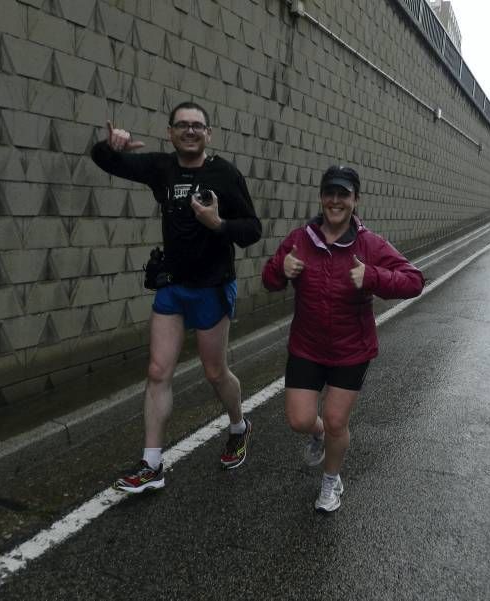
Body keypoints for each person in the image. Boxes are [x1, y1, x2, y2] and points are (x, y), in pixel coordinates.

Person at [91, 102, 262, 493]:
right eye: (182, 125)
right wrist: (109, 146)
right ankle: (152, 464)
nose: (190, 131)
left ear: (209, 133)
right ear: (170, 132)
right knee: (157, 371)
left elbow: (252, 229)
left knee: (215, 372)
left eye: (197, 126)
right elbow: (107, 162)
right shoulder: (162, 169)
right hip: (172, 286)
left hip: (212, 287)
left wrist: (217, 223)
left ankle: (239, 425)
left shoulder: (225, 174)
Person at [261, 166, 424, 512]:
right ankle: (317, 433)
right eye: (330, 193)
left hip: (351, 349)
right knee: (300, 420)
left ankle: (330, 482)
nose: (336, 201)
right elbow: (269, 280)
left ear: (355, 200)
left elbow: (414, 281)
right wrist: (280, 269)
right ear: (321, 198)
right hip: (307, 346)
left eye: (344, 194)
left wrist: (373, 276)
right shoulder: (300, 239)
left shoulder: (369, 244)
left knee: (337, 420)